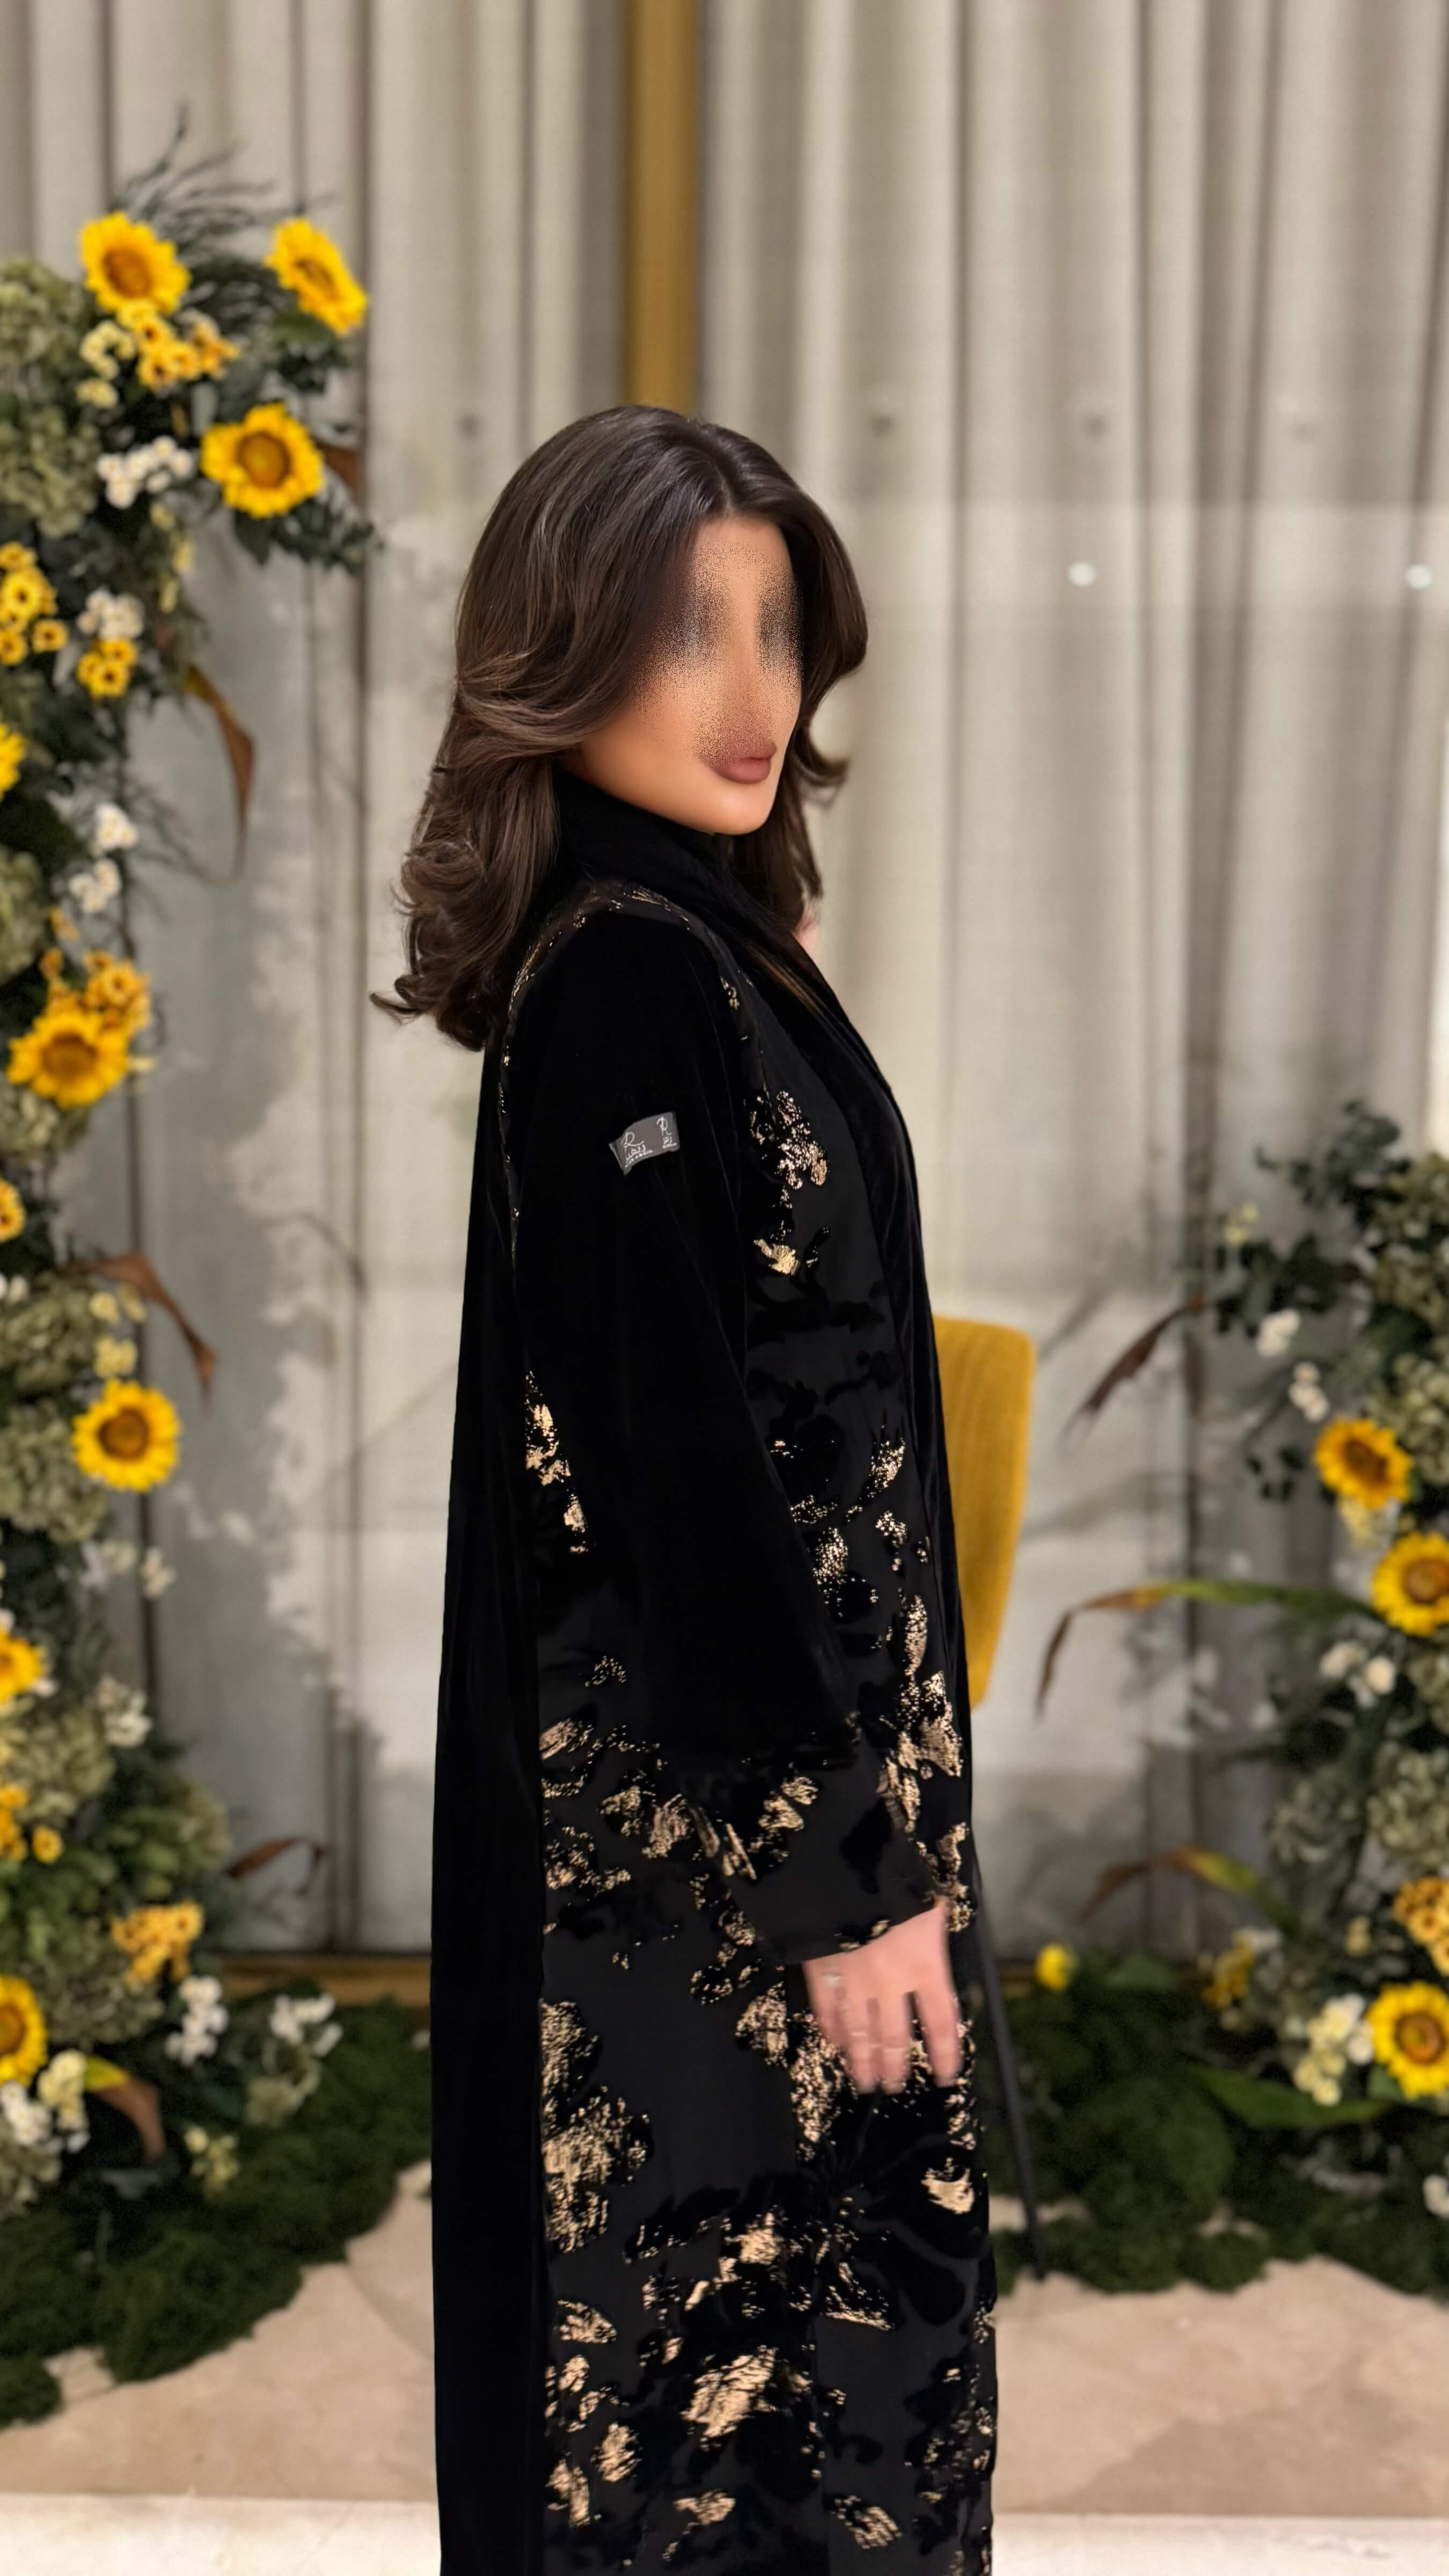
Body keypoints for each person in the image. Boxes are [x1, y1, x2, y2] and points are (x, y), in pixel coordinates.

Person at [375, 405, 998, 2575]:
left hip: (764, 1830)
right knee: (727, 2437)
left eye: (777, 628)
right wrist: (843, 1875)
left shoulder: (691, 944)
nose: (754, 692)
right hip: (702, 1882)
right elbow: (675, 1478)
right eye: (683, 633)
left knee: (796, 2423)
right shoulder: (631, 981)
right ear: (563, 656)